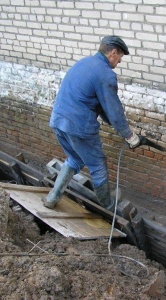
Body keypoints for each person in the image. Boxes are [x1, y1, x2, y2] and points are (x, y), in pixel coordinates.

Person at [42, 35, 140, 211]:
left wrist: (116, 125)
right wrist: (129, 136)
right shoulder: (105, 74)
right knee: (98, 164)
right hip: (79, 127)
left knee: (75, 158)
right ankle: (109, 206)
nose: (119, 62)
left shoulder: (84, 63)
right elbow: (113, 110)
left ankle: (52, 197)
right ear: (113, 52)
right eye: (120, 57)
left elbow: (101, 107)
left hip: (58, 121)